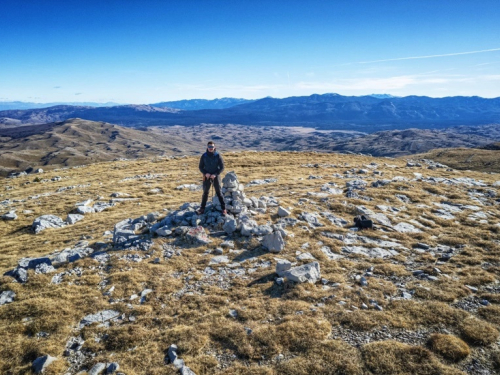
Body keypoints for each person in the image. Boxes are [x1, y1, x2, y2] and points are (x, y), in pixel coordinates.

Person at [196, 141, 227, 215]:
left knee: (219, 192)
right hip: (207, 177)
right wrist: (205, 173)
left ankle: (224, 209)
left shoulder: (218, 155)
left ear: (214, 147)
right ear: (207, 147)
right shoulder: (204, 156)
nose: (210, 148)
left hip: (216, 176)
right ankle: (202, 208)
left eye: (212, 147)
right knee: (205, 193)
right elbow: (200, 167)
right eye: (209, 147)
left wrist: (215, 174)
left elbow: (222, 167)